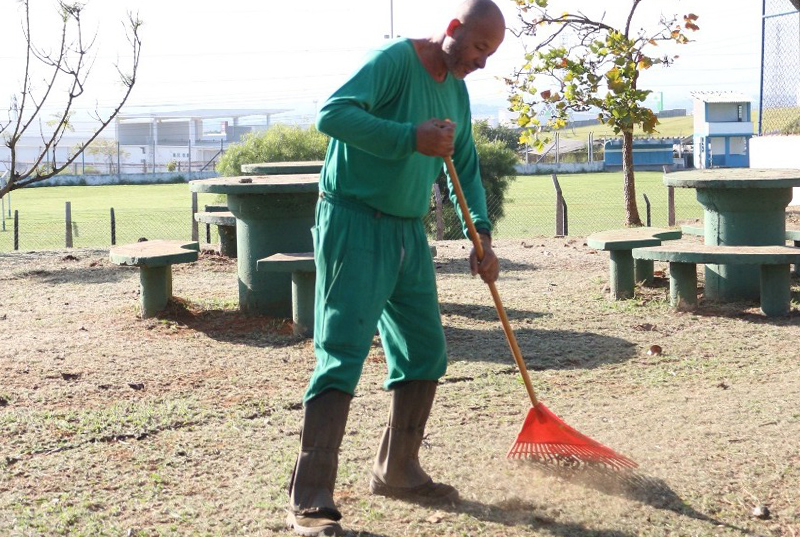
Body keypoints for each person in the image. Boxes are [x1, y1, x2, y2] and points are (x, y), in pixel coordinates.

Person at [287, 1, 505, 535]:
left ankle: (398, 470)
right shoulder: (392, 60)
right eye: (478, 47)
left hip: (409, 230)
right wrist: (410, 136)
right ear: (452, 30)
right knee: (341, 353)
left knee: (425, 350)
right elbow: (332, 115)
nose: (482, 62)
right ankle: (310, 498)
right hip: (354, 221)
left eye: (490, 53)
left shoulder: (456, 89)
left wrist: (481, 231)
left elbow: (468, 166)